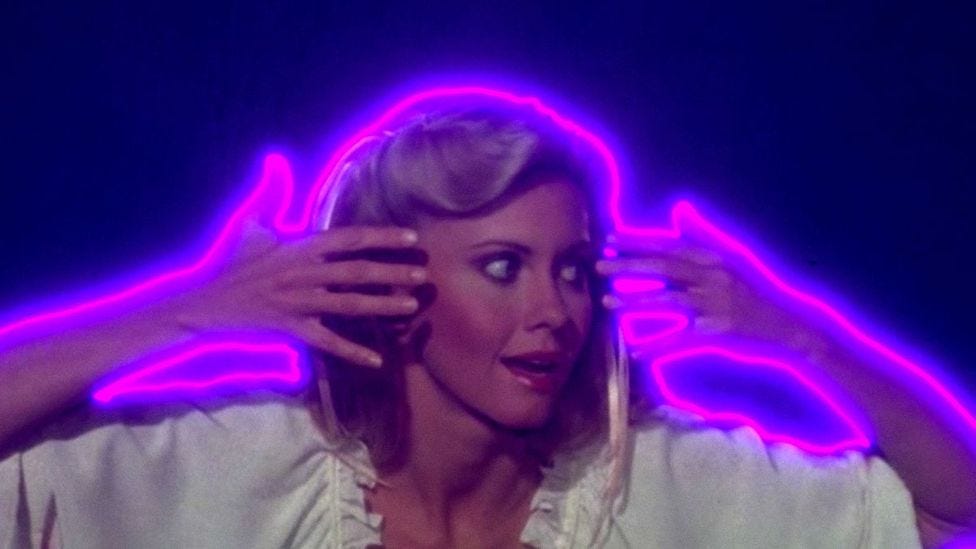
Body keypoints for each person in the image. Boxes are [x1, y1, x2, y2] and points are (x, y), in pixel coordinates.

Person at [0, 87, 973, 548]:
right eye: (503, 267)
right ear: (389, 283)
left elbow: (952, 514)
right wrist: (185, 310)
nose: (555, 311)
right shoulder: (229, 475)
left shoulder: (653, 484)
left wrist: (802, 335)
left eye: (574, 270)